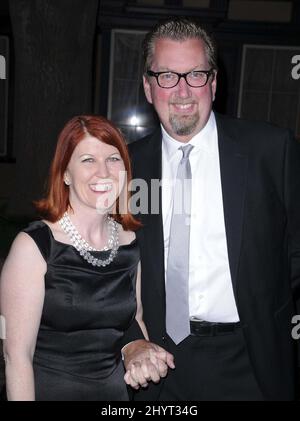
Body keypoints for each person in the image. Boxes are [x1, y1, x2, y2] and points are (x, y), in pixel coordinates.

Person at [122, 17, 300, 400]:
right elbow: (112, 270)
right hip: (157, 363)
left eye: (196, 75)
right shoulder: (127, 168)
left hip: (251, 362)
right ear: (148, 87)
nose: (183, 90)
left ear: (214, 83)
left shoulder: (270, 151)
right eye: (167, 76)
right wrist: (132, 341)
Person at [0, 115, 174, 401]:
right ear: (65, 173)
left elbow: (135, 321)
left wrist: (139, 353)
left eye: (113, 159)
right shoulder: (35, 246)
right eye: (88, 160)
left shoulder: (130, 242)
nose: (103, 172)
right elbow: (16, 357)